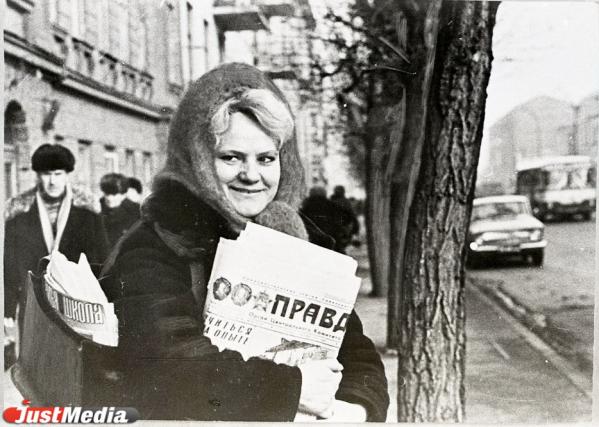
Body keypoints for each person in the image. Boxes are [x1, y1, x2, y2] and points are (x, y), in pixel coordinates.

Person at [101, 63, 388, 422]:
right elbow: (167, 364)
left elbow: (359, 355)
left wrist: (355, 409)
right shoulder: (158, 243)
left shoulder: (297, 237)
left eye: (266, 159)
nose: (252, 175)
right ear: (197, 161)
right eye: (231, 157)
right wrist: (293, 389)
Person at [4, 144, 109, 346]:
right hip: (34, 303)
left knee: (74, 357)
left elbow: (102, 258)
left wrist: (105, 302)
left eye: (58, 174)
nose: (52, 181)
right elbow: (9, 265)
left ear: (67, 175)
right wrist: (7, 310)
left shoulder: (87, 210)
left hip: (77, 304)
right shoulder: (18, 212)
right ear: (38, 176)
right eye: (46, 174)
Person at [300, 186, 355, 254]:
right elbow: (348, 217)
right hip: (331, 240)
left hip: (311, 240)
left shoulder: (306, 206)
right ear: (324, 194)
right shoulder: (332, 205)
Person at [100, 173, 140, 248]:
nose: (109, 198)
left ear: (124, 195)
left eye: (114, 194)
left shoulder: (136, 212)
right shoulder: (97, 210)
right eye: (107, 194)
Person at [329, 185, 360, 253]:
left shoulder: (330, 201)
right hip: (344, 228)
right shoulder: (346, 202)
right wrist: (355, 230)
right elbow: (352, 216)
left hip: (333, 228)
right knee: (341, 246)